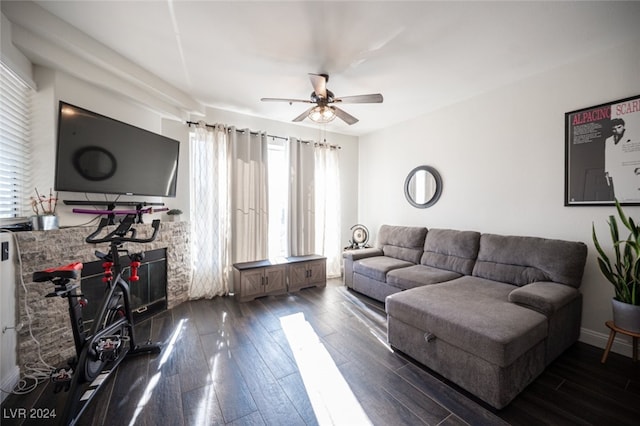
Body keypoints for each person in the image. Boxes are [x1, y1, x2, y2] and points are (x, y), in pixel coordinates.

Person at [604, 118, 640, 202]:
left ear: (623, 126)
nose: (616, 130)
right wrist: (607, 171)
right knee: (618, 195)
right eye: (614, 129)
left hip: (631, 170)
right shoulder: (608, 140)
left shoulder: (634, 136)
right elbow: (608, 156)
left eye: (619, 127)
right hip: (616, 171)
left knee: (632, 195)